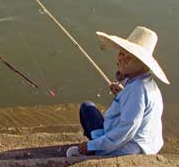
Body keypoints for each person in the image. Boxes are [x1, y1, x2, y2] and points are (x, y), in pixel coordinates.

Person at [67, 26, 169, 157]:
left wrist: (91, 146)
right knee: (89, 108)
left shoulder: (137, 91)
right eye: (122, 53)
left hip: (129, 149)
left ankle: (94, 152)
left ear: (144, 64)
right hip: (147, 143)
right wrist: (123, 92)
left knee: (87, 109)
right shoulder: (145, 84)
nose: (122, 59)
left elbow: (125, 131)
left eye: (130, 58)